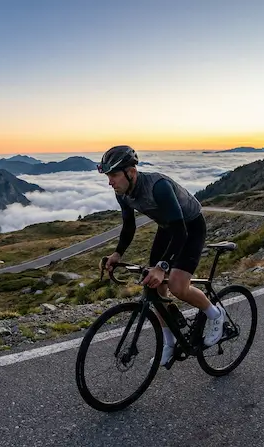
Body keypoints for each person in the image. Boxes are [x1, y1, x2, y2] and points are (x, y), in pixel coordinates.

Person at [98, 145, 225, 366]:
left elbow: (181, 232)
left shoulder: (159, 187)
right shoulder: (123, 193)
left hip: (190, 227)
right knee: (153, 287)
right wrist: (117, 253)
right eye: (109, 176)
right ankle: (170, 342)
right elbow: (129, 226)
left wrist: (162, 266)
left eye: (115, 175)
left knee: (177, 286)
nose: (111, 182)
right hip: (168, 228)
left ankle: (215, 314)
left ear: (132, 172)